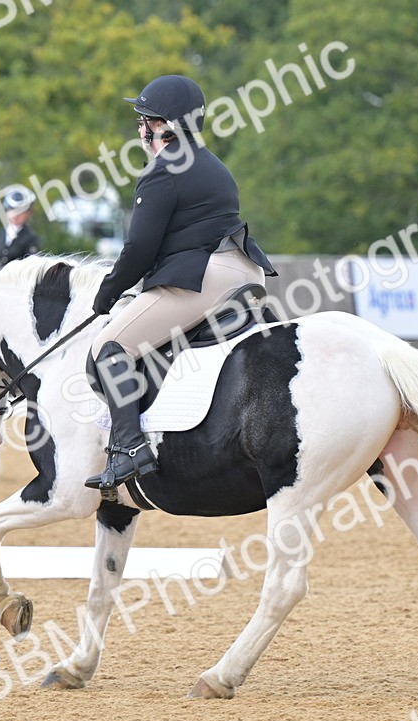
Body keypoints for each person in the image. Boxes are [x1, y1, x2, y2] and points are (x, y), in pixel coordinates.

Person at [85, 74, 277, 491]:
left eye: (145, 120)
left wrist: (106, 294)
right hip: (246, 270)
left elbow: (139, 248)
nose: (140, 129)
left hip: (206, 277)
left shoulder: (164, 169)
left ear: (165, 125)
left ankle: (129, 449)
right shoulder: (212, 164)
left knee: (108, 348)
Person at [0, 185, 41, 278]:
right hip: (1, 281)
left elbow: (31, 267)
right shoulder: (1, 234)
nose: (15, 215)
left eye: (20, 212)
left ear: (28, 214)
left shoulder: (31, 237)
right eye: (11, 210)